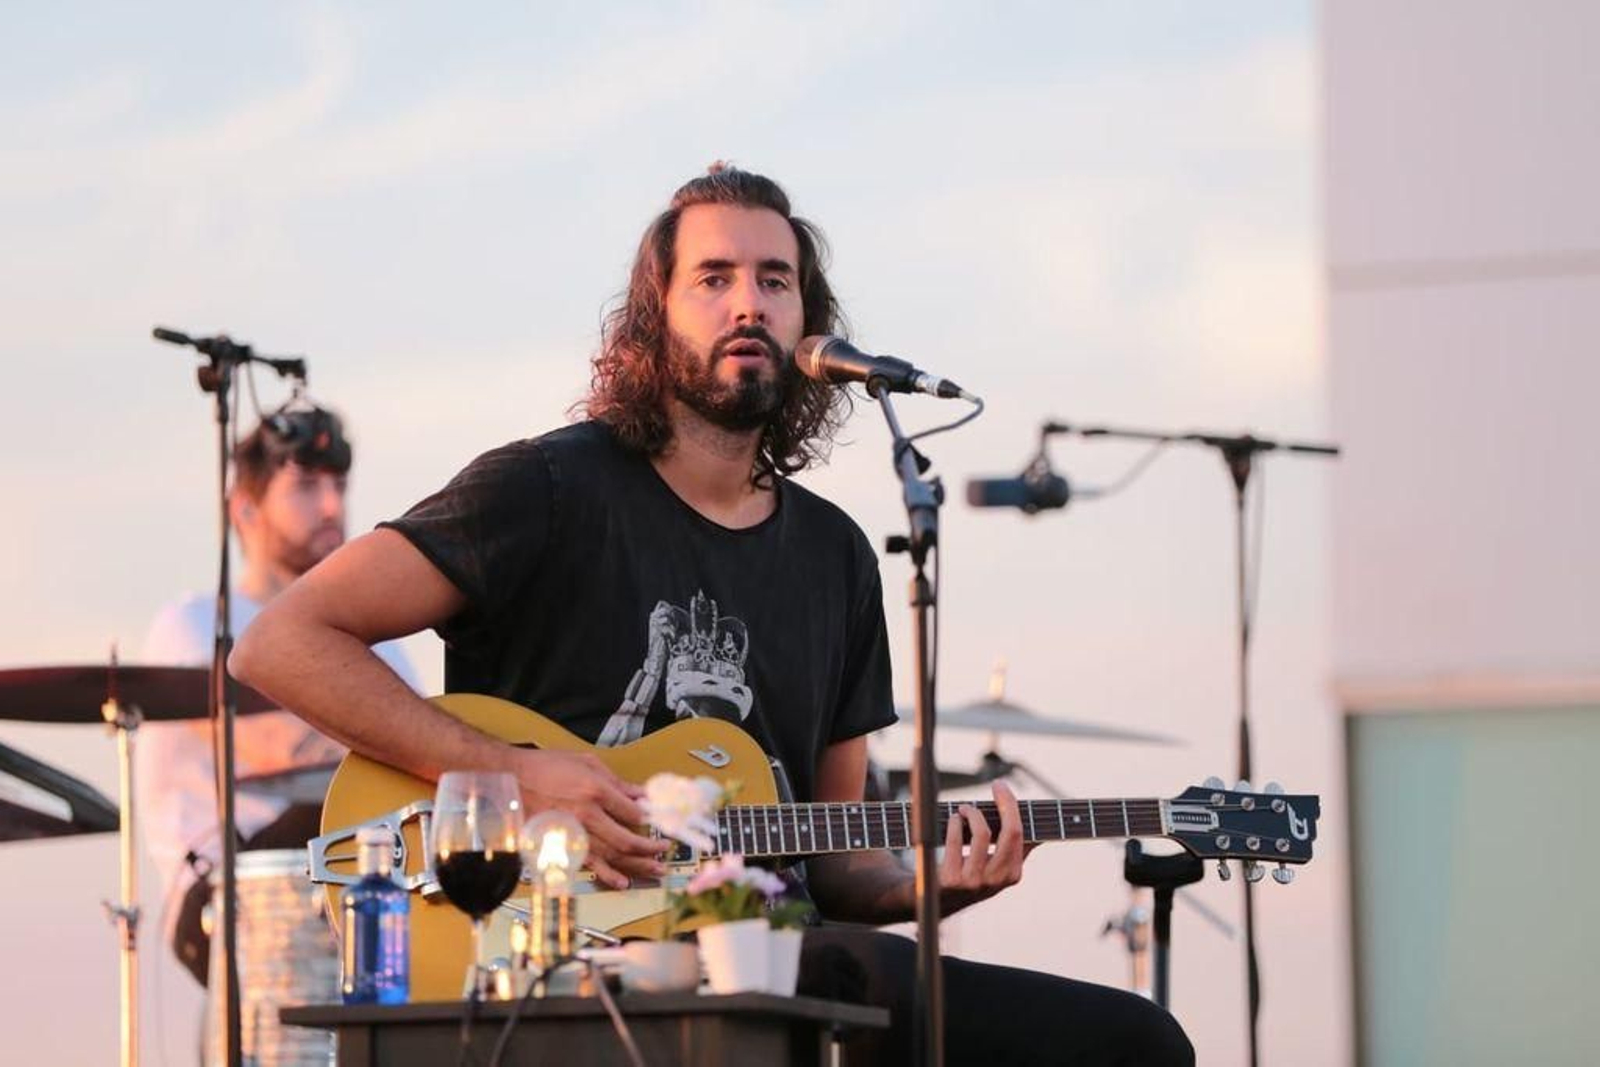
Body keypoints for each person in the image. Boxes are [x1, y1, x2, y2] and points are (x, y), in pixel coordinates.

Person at [231, 166, 1193, 1065]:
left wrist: (925, 886)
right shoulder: (549, 488)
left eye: (776, 281)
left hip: (772, 961)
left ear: (808, 321)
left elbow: (834, 854)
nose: (749, 302)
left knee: (1137, 1042)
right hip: (552, 949)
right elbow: (282, 642)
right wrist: (517, 778)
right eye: (714, 277)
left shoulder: (839, 558)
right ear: (654, 317)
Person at [139, 406, 420, 984]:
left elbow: (424, 757)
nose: (333, 507)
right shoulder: (196, 624)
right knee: (320, 817)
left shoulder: (378, 637)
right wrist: (411, 738)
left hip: (357, 875)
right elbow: (279, 744)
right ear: (244, 507)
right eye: (307, 487)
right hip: (239, 885)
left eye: (339, 485)